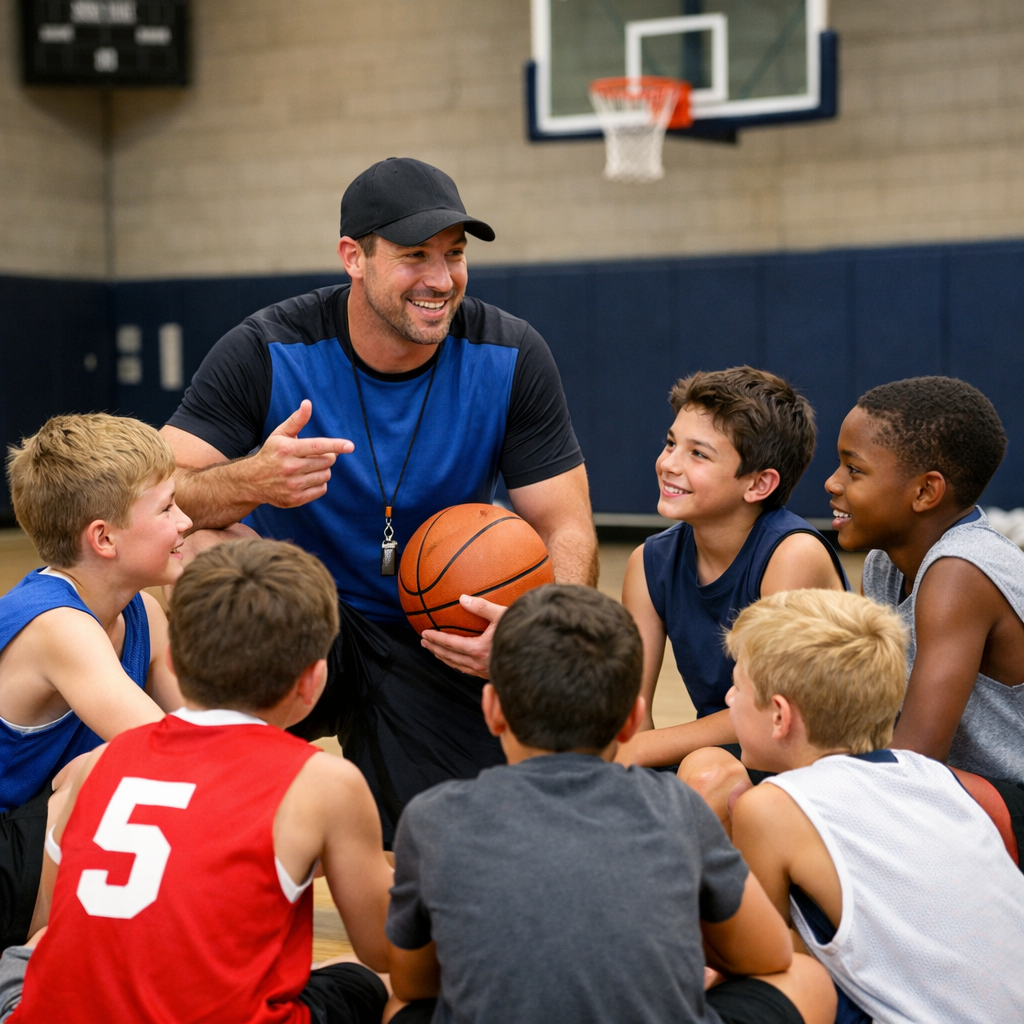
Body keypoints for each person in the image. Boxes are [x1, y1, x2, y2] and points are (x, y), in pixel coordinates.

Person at [160, 157, 597, 844]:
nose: (440, 279)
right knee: (195, 549)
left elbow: (566, 526)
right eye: (414, 256)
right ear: (353, 258)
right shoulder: (268, 347)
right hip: (299, 614)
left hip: (437, 630)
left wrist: (525, 641)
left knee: (462, 843)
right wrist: (249, 482)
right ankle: (205, 794)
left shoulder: (509, 353)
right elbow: (158, 494)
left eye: (454, 256)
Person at [383, 585, 836, 1024]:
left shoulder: (432, 817)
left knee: (394, 1002)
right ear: (632, 722)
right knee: (807, 978)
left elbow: (414, 983)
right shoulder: (678, 808)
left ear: (493, 708)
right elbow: (769, 954)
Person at [3, 538, 394, 1024]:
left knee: (28, 961)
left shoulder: (98, 764)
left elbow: (65, 921)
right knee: (385, 982)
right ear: (313, 682)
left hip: (54, 1009)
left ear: (172, 662)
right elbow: (387, 949)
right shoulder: (326, 783)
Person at [725, 588, 1024, 1024]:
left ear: (779, 716)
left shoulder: (770, 808)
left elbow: (759, 957)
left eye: (736, 687)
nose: (729, 700)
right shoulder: (932, 776)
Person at [0, 414, 190, 951]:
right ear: (103, 538)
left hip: (33, 843)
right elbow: (170, 751)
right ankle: (31, 969)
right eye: (168, 507)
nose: (187, 521)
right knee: (110, 773)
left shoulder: (143, 616)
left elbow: (209, 740)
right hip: (9, 851)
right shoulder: (57, 626)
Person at [826, 376, 1024, 856]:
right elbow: (863, 714)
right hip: (954, 792)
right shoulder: (884, 563)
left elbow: (913, 763)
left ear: (926, 491)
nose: (832, 482)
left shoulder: (960, 572)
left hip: (1005, 799)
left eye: (854, 469)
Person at [615, 367, 846, 776]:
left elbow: (768, 710)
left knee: (704, 771)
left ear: (758, 485)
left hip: (808, 771)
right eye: (671, 443)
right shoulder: (648, 563)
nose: (669, 463)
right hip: (724, 760)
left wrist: (636, 750)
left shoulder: (792, 555)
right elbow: (632, 713)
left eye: (698, 454)